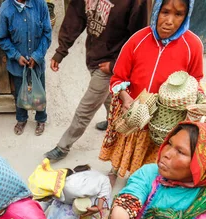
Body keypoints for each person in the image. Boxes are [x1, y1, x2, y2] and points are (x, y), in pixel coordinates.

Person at [99, 0, 203, 182]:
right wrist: (125, 98)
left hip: (163, 120)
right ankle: (115, 170)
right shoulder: (138, 40)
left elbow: (195, 82)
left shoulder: (192, 46)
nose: (169, 20)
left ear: (186, 16)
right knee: (123, 145)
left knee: (150, 158)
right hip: (133, 113)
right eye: (165, 12)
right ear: (156, 11)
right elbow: (118, 77)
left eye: (178, 14)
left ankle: (139, 182)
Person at [43, 0, 149, 162]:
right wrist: (61, 51)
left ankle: (63, 147)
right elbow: (75, 17)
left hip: (110, 64)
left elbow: (139, 39)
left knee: (86, 108)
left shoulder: (136, 2)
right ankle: (111, 122)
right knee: (108, 95)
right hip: (94, 56)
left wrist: (115, 66)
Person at [0, 0, 52, 136]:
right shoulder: (5, 10)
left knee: (39, 91)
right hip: (18, 64)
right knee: (20, 93)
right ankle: (21, 119)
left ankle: (41, 119)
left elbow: (47, 33)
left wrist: (37, 55)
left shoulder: (40, 4)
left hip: (37, 63)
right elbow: (2, 39)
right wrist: (16, 56)